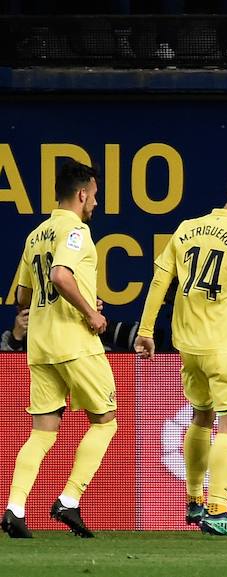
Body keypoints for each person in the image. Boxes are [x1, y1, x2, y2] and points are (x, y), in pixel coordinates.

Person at [134, 161, 227, 537]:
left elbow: (160, 280)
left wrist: (146, 330)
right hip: (225, 346)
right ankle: (218, 508)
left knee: (200, 418)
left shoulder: (185, 229)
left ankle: (194, 501)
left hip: (188, 346)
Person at [2, 161, 117, 539]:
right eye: (95, 195)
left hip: (40, 344)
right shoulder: (76, 231)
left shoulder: (35, 234)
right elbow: (60, 275)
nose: (96, 203)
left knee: (42, 432)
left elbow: (22, 296)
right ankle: (69, 499)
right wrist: (90, 313)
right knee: (106, 421)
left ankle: (14, 509)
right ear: (82, 193)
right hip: (75, 342)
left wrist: (83, 297)